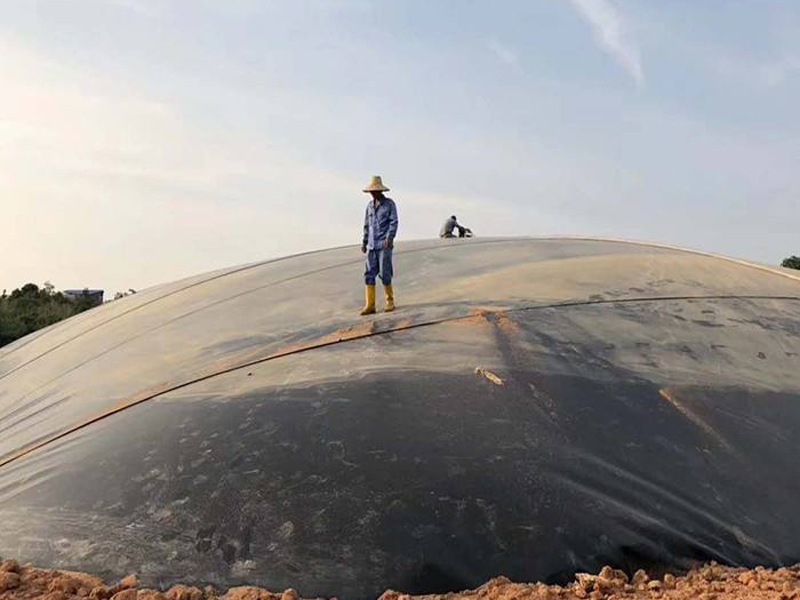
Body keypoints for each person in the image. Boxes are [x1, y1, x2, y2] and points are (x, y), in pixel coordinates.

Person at [360, 175, 399, 315]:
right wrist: (364, 242)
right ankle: (370, 305)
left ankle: (390, 300)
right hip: (371, 245)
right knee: (369, 274)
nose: (373, 193)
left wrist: (390, 237)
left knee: (384, 273)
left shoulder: (389, 204)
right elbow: (366, 225)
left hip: (384, 244)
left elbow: (394, 222)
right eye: (371, 191)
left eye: (375, 191)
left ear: (380, 191)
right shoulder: (369, 207)